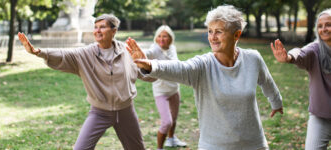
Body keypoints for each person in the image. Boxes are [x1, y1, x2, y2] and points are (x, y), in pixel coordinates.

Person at [126, 5, 283, 150]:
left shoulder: (253, 59)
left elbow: (267, 82)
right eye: (210, 31)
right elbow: (179, 68)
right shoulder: (203, 65)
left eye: (219, 32)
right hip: (214, 145)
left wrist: (276, 102)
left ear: (237, 35)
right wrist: (150, 65)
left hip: (253, 144)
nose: (212, 37)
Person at [18, 14, 154, 150]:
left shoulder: (127, 51)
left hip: (126, 111)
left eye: (102, 27)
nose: (97, 31)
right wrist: (38, 52)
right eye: (95, 27)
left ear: (114, 31)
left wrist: (147, 66)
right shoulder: (86, 53)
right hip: (99, 112)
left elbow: (149, 76)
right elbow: (63, 54)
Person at [270, 8, 331, 150]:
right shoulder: (314, 50)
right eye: (320, 26)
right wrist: (289, 57)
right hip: (320, 116)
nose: (324, 29)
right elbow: (300, 53)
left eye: (328, 24)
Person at [142, 25, 187, 149]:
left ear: (170, 38)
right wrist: (139, 54)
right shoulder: (154, 49)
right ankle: (159, 148)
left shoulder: (172, 48)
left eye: (165, 36)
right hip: (161, 92)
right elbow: (147, 53)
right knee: (167, 122)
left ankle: (171, 139)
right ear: (156, 38)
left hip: (174, 89)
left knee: (174, 118)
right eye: (159, 36)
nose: (162, 39)